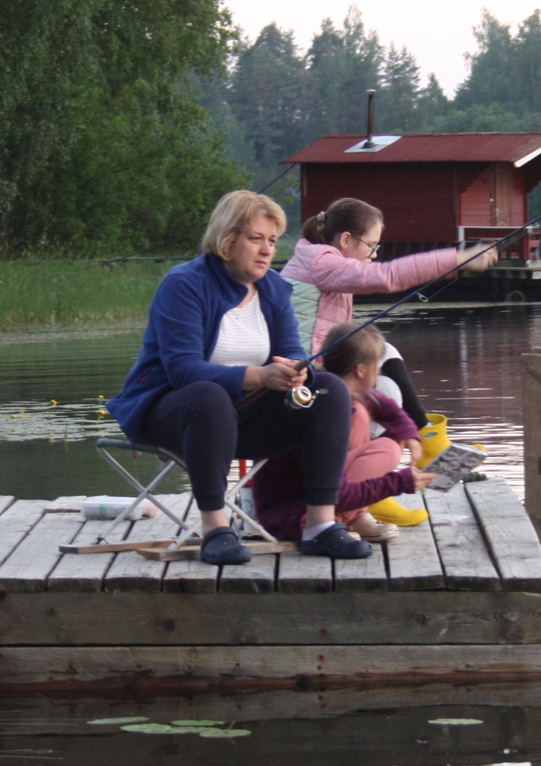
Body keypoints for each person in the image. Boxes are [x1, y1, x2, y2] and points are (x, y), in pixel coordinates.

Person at [105, 191, 371, 566]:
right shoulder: (185, 284)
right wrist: (258, 375)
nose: (266, 250)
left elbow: (293, 351)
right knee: (208, 395)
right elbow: (182, 369)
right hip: (172, 413)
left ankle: (320, 526)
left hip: (244, 416)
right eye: (255, 239)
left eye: (272, 241)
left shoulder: (275, 289)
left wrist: (297, 372)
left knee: (330, 389)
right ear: (228, 240)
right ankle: (215, 528)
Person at [282, 197, 498, 427]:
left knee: (384, 364)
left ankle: (418, 435)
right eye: (371, 245)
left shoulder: (315, 260)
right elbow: (388, 276)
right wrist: (459, 259)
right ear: (346, 239)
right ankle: (419, 437)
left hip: (316, 363)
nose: (374, 254)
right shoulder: (321, 263)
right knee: (385, 379)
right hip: (304, 372)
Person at [250, 321, 435, 543]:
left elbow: (387, 407)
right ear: (361, 370)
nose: (379, 371)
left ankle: (353, 516)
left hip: (319, 495)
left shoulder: (334, 389)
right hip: (295, 515)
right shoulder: (330, 410)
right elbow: (337, 493)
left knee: (387, 435)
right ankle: (340, 518)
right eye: (377, 364)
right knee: (385, 445)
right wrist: (400, 483)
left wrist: (409, 434)